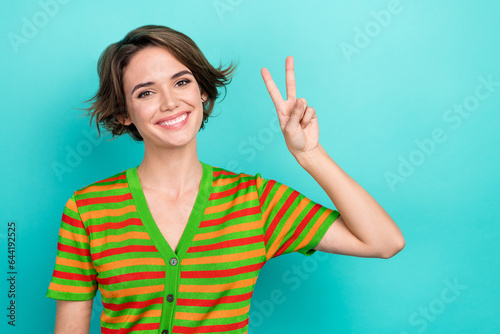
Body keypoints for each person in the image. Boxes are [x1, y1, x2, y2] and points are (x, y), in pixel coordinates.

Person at [46, 25, 405, 334]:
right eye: (146, 92)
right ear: (124, 112)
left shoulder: (257, 201)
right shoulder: (88, 208)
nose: (170, 102)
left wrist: (309, 155)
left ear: (202, 92)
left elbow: (384, 242)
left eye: (181, 82)